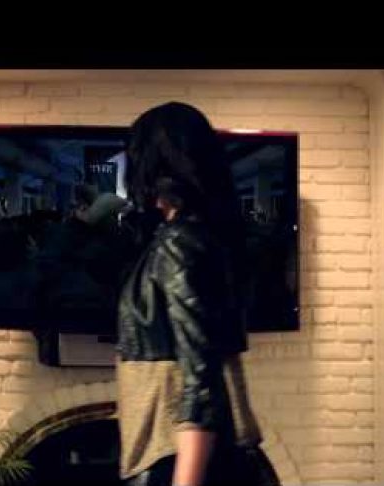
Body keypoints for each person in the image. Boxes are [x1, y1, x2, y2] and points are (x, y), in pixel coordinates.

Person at [116, 102, 280, 486]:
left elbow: (200, 374)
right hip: (190, 456)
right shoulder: (206, 238)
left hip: (173, 458)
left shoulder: (179, 244)